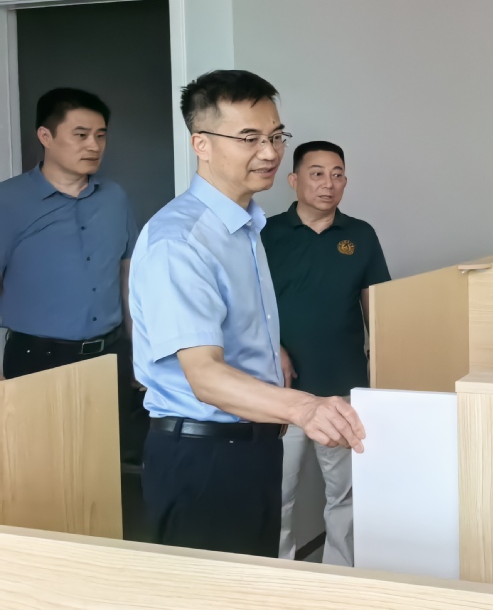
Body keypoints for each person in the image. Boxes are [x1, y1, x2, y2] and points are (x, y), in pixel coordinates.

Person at [129, 70, 366, 557]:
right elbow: (205, 377)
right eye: (249, 138)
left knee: (255, 583)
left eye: (276, 136)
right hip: (203, 457)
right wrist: (305, 407)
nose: (269, 152)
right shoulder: (181, 240)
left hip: (252, 446)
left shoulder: (244, 227)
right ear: (201, 144)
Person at [262, 141, 391, 566]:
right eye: (316, 173)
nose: (328, 184)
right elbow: (245, 307)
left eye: (337, 175)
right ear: (294, 180)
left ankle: (341, 576)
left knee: (346, 495)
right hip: (281, 391)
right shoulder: (264, 234)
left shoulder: (361, 235)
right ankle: (278, 577)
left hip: (344, 387)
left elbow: (378, 309)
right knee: (277, 493)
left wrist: (383, 374)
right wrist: (274, 348)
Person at [0, 88, 139, 460]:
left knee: (103, 468)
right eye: (81, 134)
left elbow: (126, 275)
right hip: (36, 360)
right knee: (40, 471)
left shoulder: (115, 198)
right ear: (45, 136)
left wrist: (138, 351)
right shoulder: (7, 201)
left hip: (109, 356)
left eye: (100, 135)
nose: (94, 145)